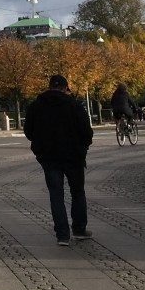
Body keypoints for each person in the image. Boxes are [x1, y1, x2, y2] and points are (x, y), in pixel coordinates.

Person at [23, 74, 93, 246]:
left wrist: (40, 146)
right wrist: (83, 148)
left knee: (56, 194)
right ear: (64, 88)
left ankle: (62, 235)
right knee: (77, 192)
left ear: (50, 87)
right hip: (73, 156)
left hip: (49, 157)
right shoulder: (74, 105)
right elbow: (87, 132)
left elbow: (28, 131)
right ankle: (79, 229)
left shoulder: (36, 106)